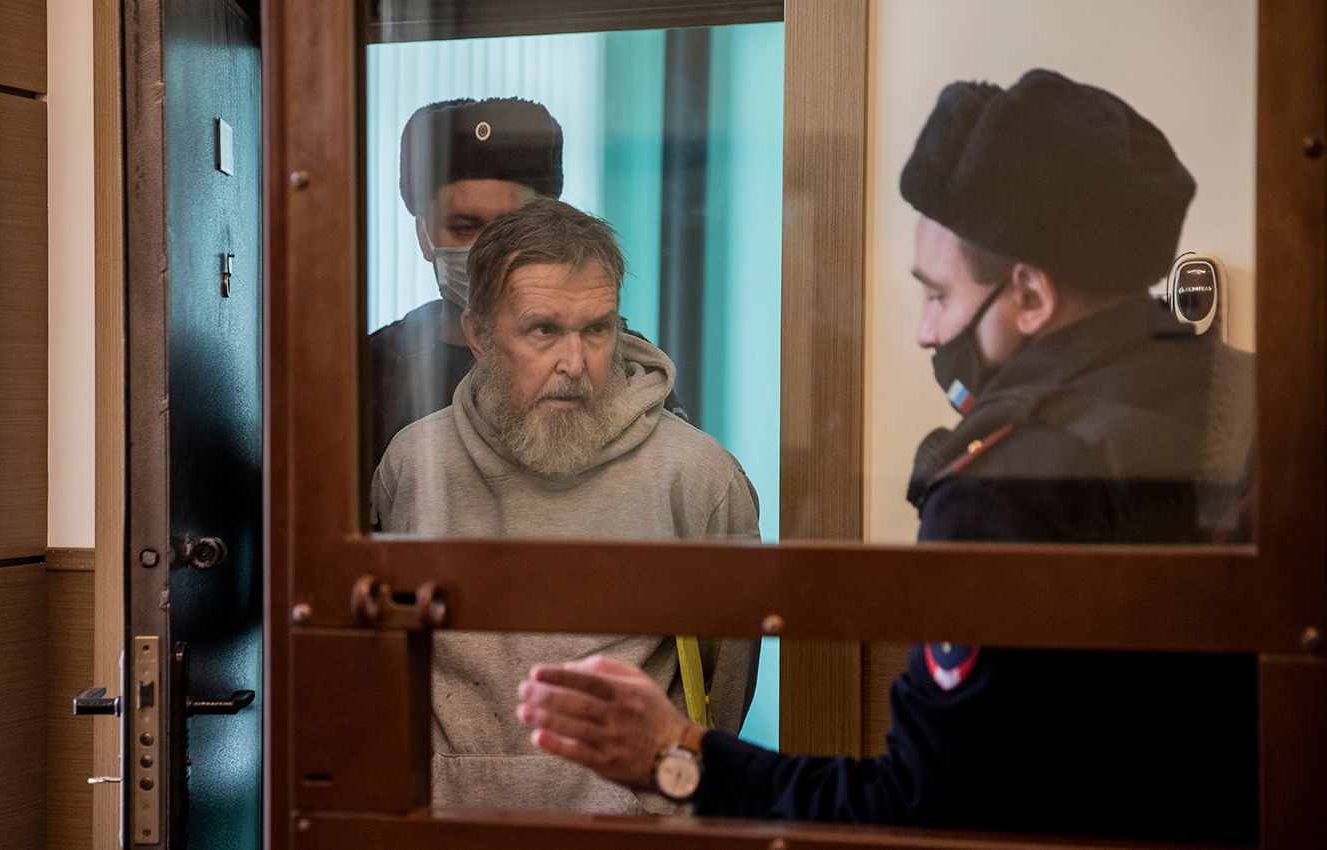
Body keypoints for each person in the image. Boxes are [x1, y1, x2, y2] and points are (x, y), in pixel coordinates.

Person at [514, 69, 1257, 844]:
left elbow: (918, 812)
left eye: (938, 296)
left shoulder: (1003, 487)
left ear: (1031, 296)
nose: (928, 333)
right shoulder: (1257, 398)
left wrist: (674, 755)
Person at [371, 197, 761, 814]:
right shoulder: (414, 462)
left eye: (597, 330)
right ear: (479, 335)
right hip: (448, 823)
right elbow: (387, 667)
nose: (574, 364)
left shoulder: (698, 475)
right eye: (543, 330)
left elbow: (723, 689)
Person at [369, 96, 680, 473]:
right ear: (423, 234)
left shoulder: (628, 365)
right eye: (465, 227)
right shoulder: (375, 369)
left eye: (513, 227)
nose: (488, 249)